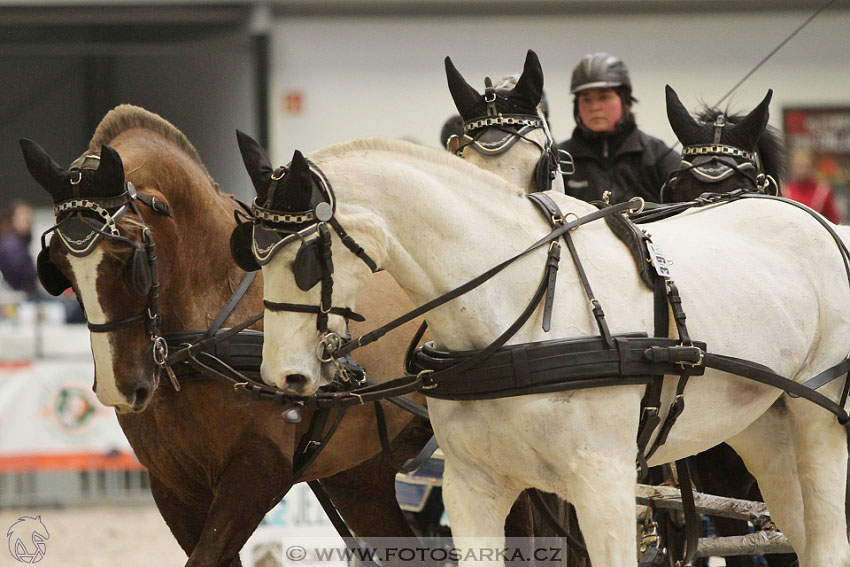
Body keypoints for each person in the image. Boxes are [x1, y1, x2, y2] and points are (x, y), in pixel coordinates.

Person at [557, 52, 679, 203]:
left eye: (604, 97)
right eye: (586, 100)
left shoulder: (658, 155)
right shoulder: (559, 160)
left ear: (626, 101)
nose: (594, 107)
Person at [783, 148, 841, 223]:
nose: (801, 169)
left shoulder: (822, 192)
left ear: (811, 166)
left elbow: (834, 222)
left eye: (804, 165)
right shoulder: (786, 192)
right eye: (798, 166)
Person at [0, 199, 38, 297]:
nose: (27, 219)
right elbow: (21, 271)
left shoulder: (18, 241)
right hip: (21, 296)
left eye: (28, 215)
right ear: (12, 219)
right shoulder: (11, 243)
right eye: (22, 215)